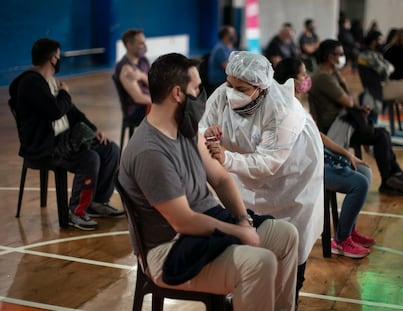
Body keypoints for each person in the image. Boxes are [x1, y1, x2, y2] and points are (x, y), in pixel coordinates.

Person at [118, 52, 299, 311]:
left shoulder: (186, 130)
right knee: (260, 263)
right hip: (169, 249)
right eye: (197, 88)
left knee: (287, 235)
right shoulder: (150, 151)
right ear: (177, 94)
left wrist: (242, 220)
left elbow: (221, 178)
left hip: (205, 227)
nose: (202, 95)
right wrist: (239, 232)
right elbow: (184, 221)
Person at [199, 51, 324, 304]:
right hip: (245, 173)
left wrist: (227, 159)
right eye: (230, 85)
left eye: (241, 88)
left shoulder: (283, 110)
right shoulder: (222, 95)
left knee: (293, 240)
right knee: (251, 232)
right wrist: (208, 134)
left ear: (260, 87)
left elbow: (268, 162)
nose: (232, 92)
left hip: (292, 179)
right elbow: (203, 125)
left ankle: (291, 293)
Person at [9, 38, 124, 231]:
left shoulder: (49, 82)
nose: (59, 60)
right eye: (59, 56)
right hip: (44, 146)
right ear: (53, 59)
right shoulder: (30, 83)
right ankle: (76, 212)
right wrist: (65, 93)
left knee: (110, 149)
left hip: (61, 140)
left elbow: (71, 111)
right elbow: (55, 111)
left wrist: (94, 129)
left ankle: (98, 202)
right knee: (89, 158)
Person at [274, 57, 375, 258]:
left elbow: (317, 135)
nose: (307, 78)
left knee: (364, 170)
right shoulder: (282, 108)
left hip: (318, 159)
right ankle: (341, 241)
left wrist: (346, 154)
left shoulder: (296, 104)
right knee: (359, 184)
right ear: (292, 81)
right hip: (304, 168)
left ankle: (349, 230)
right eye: (303, 74)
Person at [309, 39, 403, 196]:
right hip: (336, 128)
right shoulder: (323, 77)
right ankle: (389, 179)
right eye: (340, 54)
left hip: (344, 121)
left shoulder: (331, 73)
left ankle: (394, 176)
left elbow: (350, 102)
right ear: (330, 57)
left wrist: (356, 106)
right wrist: (347, 91)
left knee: (381, 133)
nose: (343, 57)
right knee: (381, 136)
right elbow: (348, 100)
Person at [359, 30, 403, 134]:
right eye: (380, 39)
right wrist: (388, 67)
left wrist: (388, 68)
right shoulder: (366, 55)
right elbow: (385, 70)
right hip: (378, 89)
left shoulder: (377, 54)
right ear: (373, 41)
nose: (383, 41)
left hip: (388, 85)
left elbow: (389, 68)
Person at [114, 29, 152, 126]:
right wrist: (161, 102)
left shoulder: (143, 61)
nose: (145, 46)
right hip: (136, 111)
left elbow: (155, 85)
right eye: (141, 43)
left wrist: (142, 76)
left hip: (149, 104)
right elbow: (138, 98)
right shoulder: (126, 68)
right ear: (129, 45)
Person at [206, 25, 236, 95]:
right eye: (232, 34)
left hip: (226, 81)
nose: (234, 35)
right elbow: (228, 68)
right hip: (219, 82)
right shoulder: (220, 49)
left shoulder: (231, 48)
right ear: (225, 35)